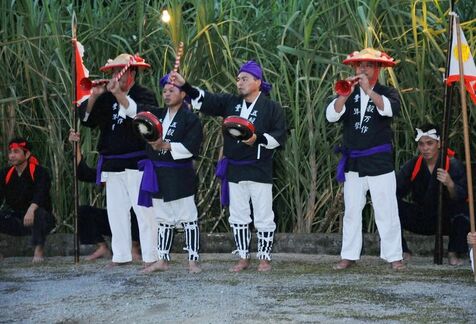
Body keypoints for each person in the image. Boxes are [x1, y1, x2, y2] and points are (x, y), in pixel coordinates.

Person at [169, 60, 287, 272]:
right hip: (235, 167)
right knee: (239, 215)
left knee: (263, 215)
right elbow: (205, 100)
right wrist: (185, 86)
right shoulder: (230, 103)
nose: (239, 83)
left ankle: (264, 258)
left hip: (259, 168)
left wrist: (257, 139)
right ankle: (243, 257)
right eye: (238, 79)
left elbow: (279, 136)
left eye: (244, 79)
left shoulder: (271, 108)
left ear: (258, 82)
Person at [326, 48, 404, 270]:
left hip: (379, 161)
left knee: (386, 209)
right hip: (354, 162)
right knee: (351, 211)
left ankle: (394, 257)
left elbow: (389, 110)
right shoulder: (346, 93)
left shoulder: (387, 92)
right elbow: (331, 115)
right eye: (359, 65)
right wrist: (344, 95)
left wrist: (369, 91)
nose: (362, 69)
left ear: (377, 69)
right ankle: (348, 255)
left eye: (368, 65)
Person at [78, 54, 159, 266]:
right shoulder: (106, 97)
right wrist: (94, 96)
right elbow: (87, 120)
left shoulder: (144, 94)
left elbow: (141, 115)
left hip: (137, 162)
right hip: (112, 163)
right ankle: (121, 255)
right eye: (113, 72)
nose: (115, 76)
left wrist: (119, 95)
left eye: (119, 71)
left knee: (144, 211)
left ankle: (151, 255)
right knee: (116, 212)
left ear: (131, 73)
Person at [132, 74, 203, 273]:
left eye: (172, 90)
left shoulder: (190, 119)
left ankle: (193, 260)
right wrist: (119, 93)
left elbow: (192, 147)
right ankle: (162, 260)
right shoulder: (157, 115)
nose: (167, 94)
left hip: (180, 175)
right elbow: (136, 115)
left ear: (183, 93)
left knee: (188, 218)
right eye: (164, 91)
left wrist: (166, 145)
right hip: (157, 173)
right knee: (162, 219)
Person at [396, 124, 469, 265]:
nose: (425, 148)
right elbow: (397, 190)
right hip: (422, 217)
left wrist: (450, 184)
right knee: (390, 205)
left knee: (464, 210)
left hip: (446, 219)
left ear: (439, 143)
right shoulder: (413, 165)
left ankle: (453, 252)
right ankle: (402, 250)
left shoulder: (452, 164)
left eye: (430, 143)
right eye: (421, 144)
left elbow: (461, 196)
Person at [68, 130, 141, 261]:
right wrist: (76, 145)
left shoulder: (136, 165)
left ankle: (134, 247)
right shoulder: (109, 169)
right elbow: (83, 173)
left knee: (136, 209)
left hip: (136, 218)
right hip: (115, 218)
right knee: (83, 212)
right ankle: (102, 247)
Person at [0, 138, 55, 262]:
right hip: (18, 220)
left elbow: (41, 193)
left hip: (40, 219)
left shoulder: (40, 172)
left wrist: (31, 209)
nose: (12, 155)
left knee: (39, 213)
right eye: (10, 152)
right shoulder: (5, 174)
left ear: (27, 154)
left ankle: (38, 251)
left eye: (16, 152)